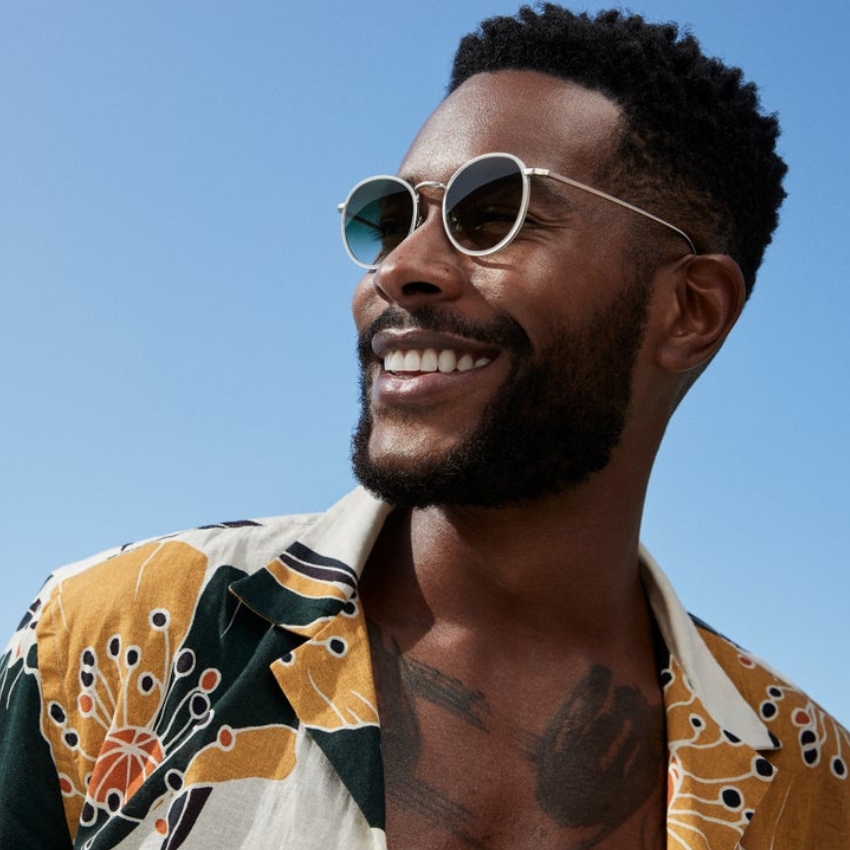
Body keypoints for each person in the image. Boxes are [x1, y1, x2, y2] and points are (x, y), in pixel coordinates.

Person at [1, 4, 847, 848]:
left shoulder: (812, 786)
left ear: (690, 309)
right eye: (390, 218)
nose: (401, 269)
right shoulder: (107, 642)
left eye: (493, 213)